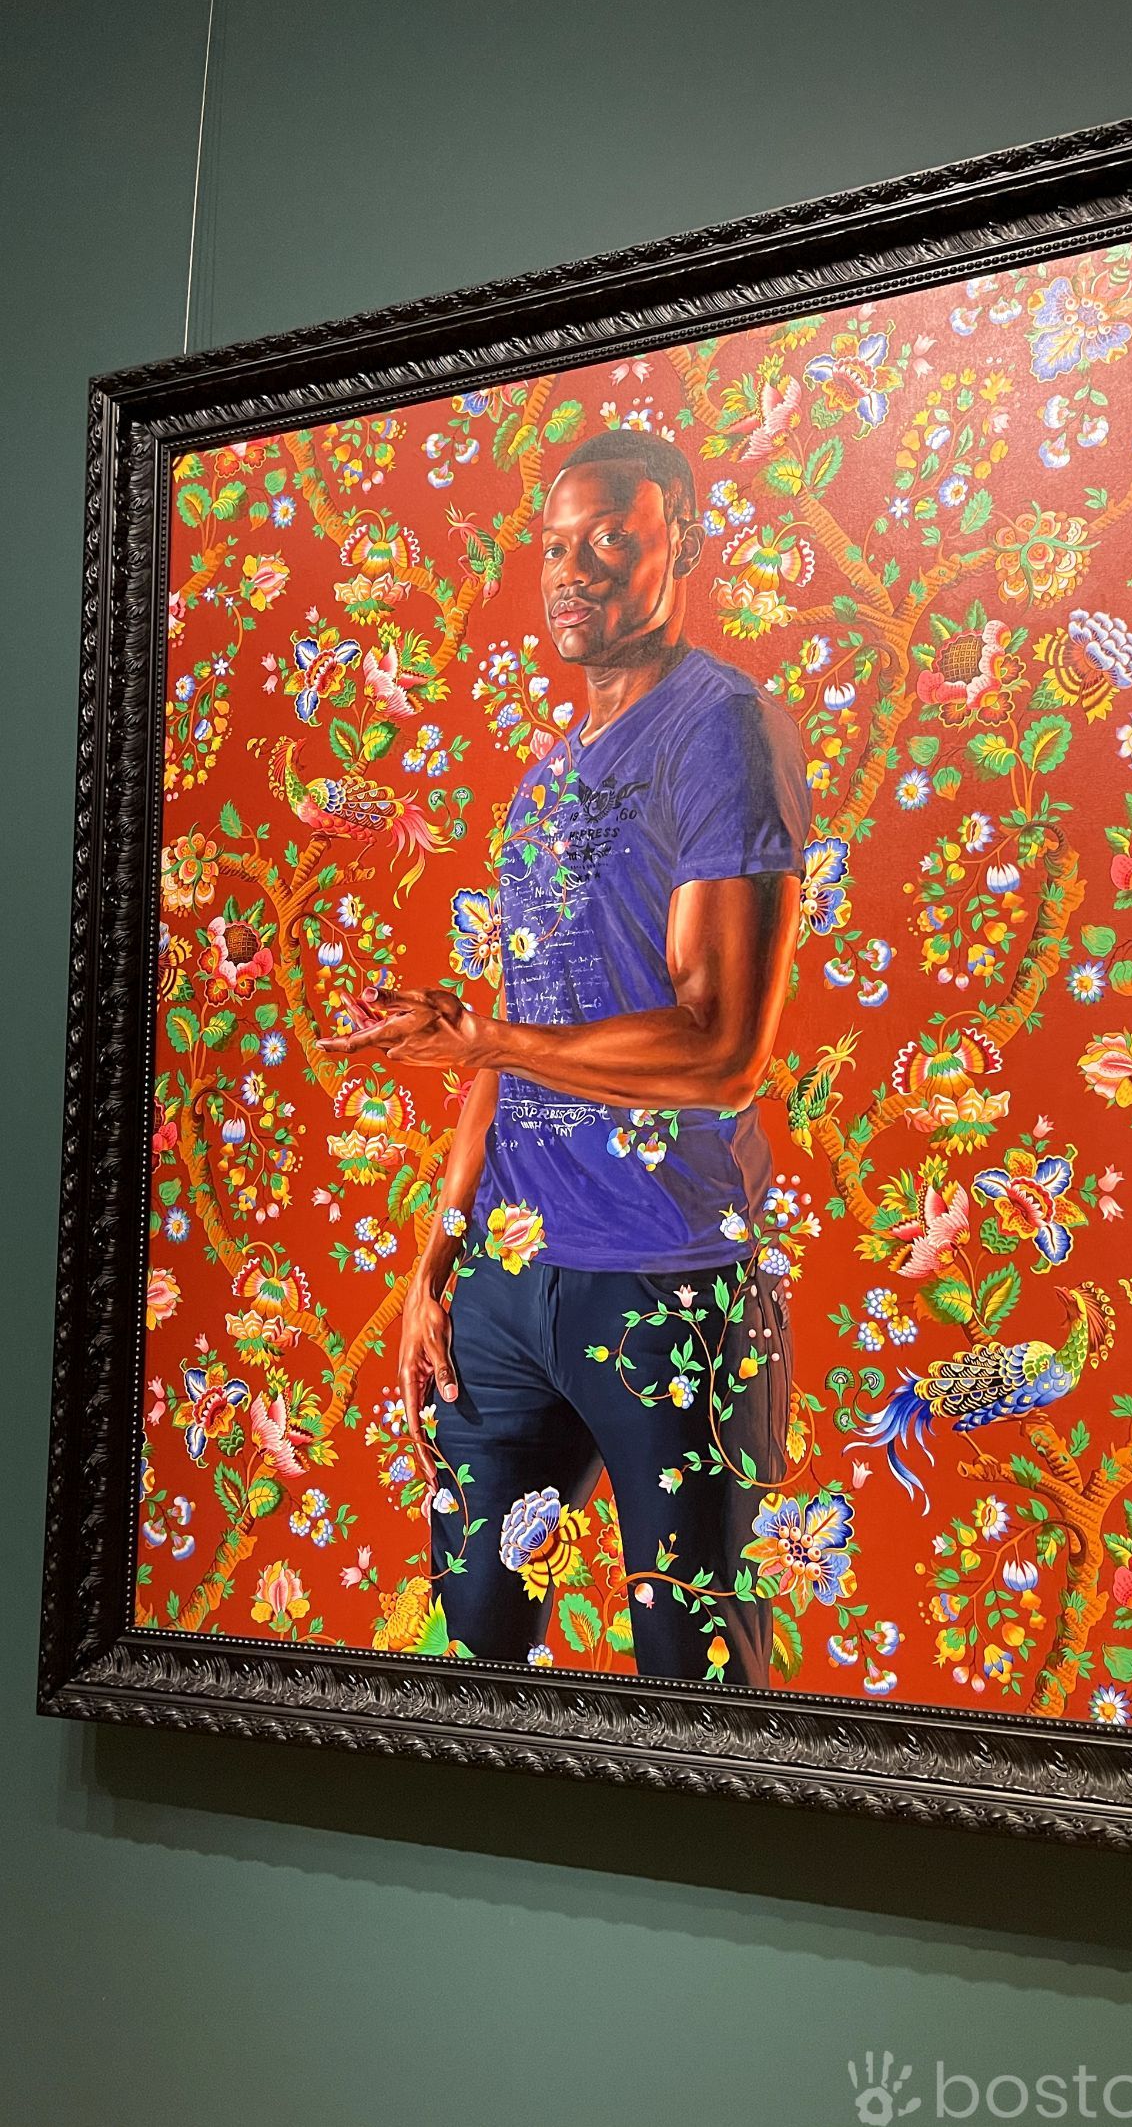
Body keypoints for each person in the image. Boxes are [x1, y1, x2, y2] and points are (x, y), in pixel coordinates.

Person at [321, 428, 811, 1683]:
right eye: (553, 547)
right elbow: (511, 1032)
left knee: (695, 1677)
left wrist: (485, 1034)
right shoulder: (543, 784)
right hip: (504, 1289)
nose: (572, 570)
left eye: (608, 539)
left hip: (667, 1282)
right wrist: (436, 1258)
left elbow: (722, 1048)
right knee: (477, 1653)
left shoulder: (725, 729)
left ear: (680, 541)